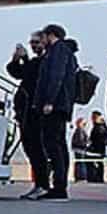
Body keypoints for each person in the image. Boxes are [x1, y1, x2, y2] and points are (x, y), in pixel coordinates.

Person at [33, 24, 80, 200]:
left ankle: (59, 186)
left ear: (50, 35)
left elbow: (56, 76)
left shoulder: (58, 51)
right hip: (61, 104)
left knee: (54, 144)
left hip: (56, 105)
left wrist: (49, 101)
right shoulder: (62, 51)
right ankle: (60, 184)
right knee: (57, 144)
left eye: (43, 37)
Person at [7, 31, 48, 199]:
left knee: (37, 149)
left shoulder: (45, 62)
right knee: (31, 149)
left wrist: (24, 58)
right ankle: (40, 183)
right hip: (25, 112)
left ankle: (43, 184)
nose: (34, 45)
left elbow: (28, 73)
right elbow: (17, 72)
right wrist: (17, 59)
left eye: (37, 42)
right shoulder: (36, 62)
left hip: (34, 112)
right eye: (32, 42)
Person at [87, 112, 107, 184]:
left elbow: (98, 139)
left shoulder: (100, 127)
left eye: (93, 117)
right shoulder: (100, 126)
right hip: (98, 148)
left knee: (98, 163)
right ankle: (98, 177)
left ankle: (98, 178)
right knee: (98, 163)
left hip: (98, 149)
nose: (92, 119)